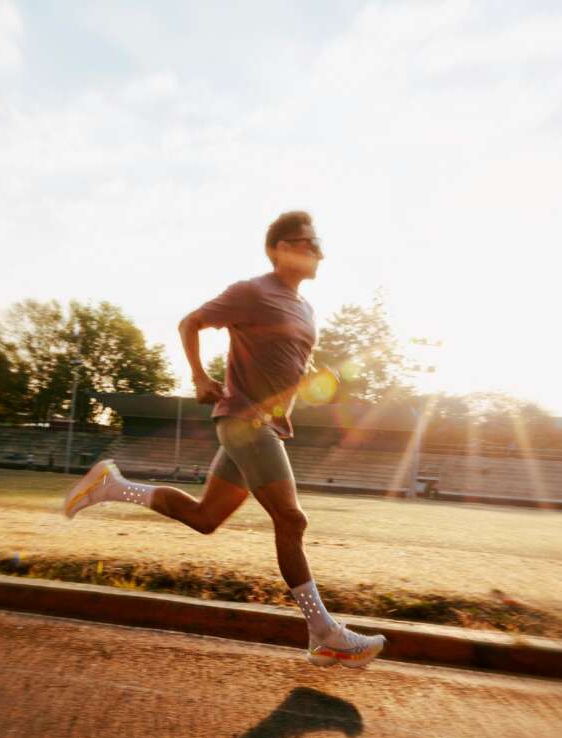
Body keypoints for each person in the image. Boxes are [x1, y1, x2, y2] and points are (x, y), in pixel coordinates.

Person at [63, 211, 385, 668]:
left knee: (205, 517)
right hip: (244, 424)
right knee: (291, 520)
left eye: (319, 244)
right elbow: (189, 323)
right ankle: (324, 631)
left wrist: (313, 382)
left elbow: (282, 371)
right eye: (309, 243)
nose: (320, 251)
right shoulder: (252, 292)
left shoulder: (305, 309)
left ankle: (111, 486)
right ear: (280, 248)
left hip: (266, 425)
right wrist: (199, 375)